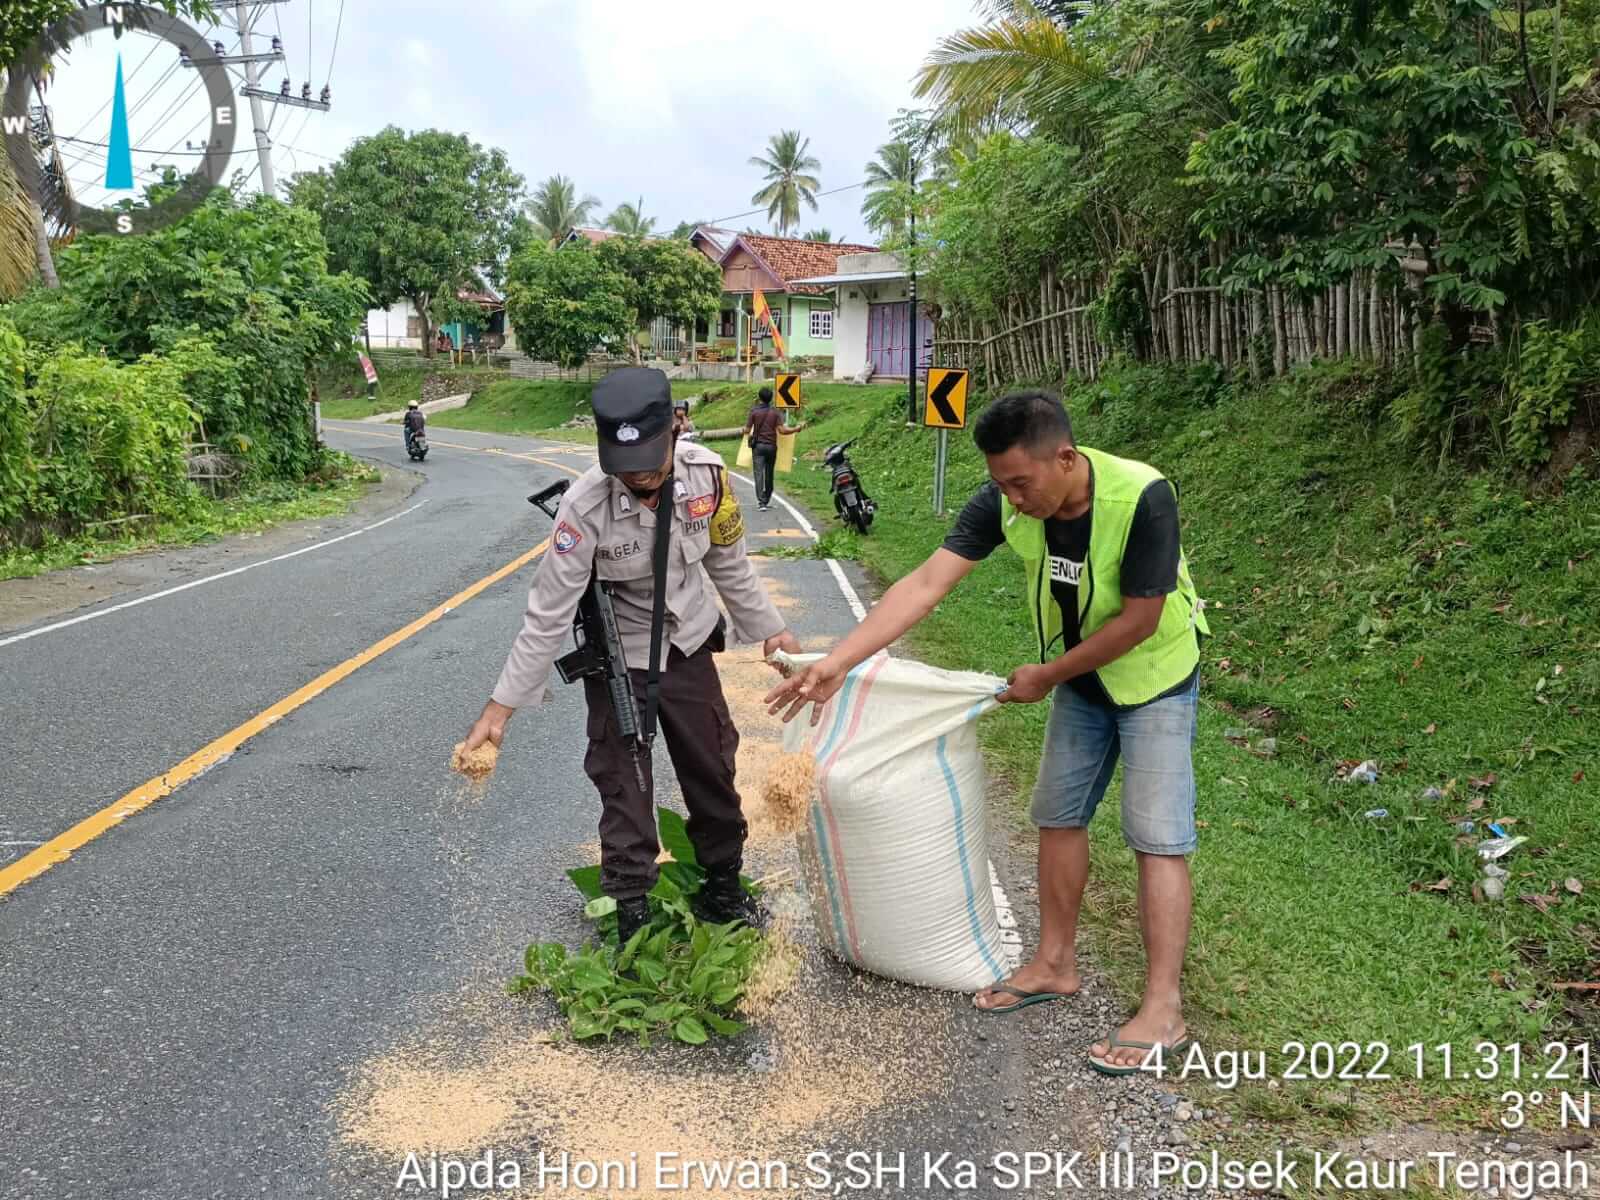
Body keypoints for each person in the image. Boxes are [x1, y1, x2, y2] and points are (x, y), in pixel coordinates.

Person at [766, 390, 1208, 1075]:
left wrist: (1047, 674)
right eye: (1001, 484)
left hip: (1153, 677)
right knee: (1057, 815)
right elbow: (925, 585)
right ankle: (1055, 964)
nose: (1011, 499)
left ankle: (1163, 1008)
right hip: (1081, 680)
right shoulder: (1006, 498)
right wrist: (837, 664)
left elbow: (1140, 621)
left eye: (1020, 483)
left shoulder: (1142, 496)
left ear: (1064, 458)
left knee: (1155, 835)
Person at [462, 367, 801, 946]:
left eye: (649, 464)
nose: (640, 480)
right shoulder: (583, 506)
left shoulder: (710, 481)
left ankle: (723, 889)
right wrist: (500, 710)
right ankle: (632, 914)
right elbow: (546, 613)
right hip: (620, 656)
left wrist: (771, 630)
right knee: (624, 786)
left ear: (676, 426)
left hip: (688, 643)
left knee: (713, 770)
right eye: (627, 472)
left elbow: (729, 563)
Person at [742, 386, 781, 512]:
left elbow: (747, 430)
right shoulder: (775, 412)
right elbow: (782, 430)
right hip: (771, 447)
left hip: (758, 447)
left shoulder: (754, 412)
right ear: (771, 398)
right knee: (769, 474)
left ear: (759, 397)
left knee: (758, 474)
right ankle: (766, 498)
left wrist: (745, 430)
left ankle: (761, 502)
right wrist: (796, 429)